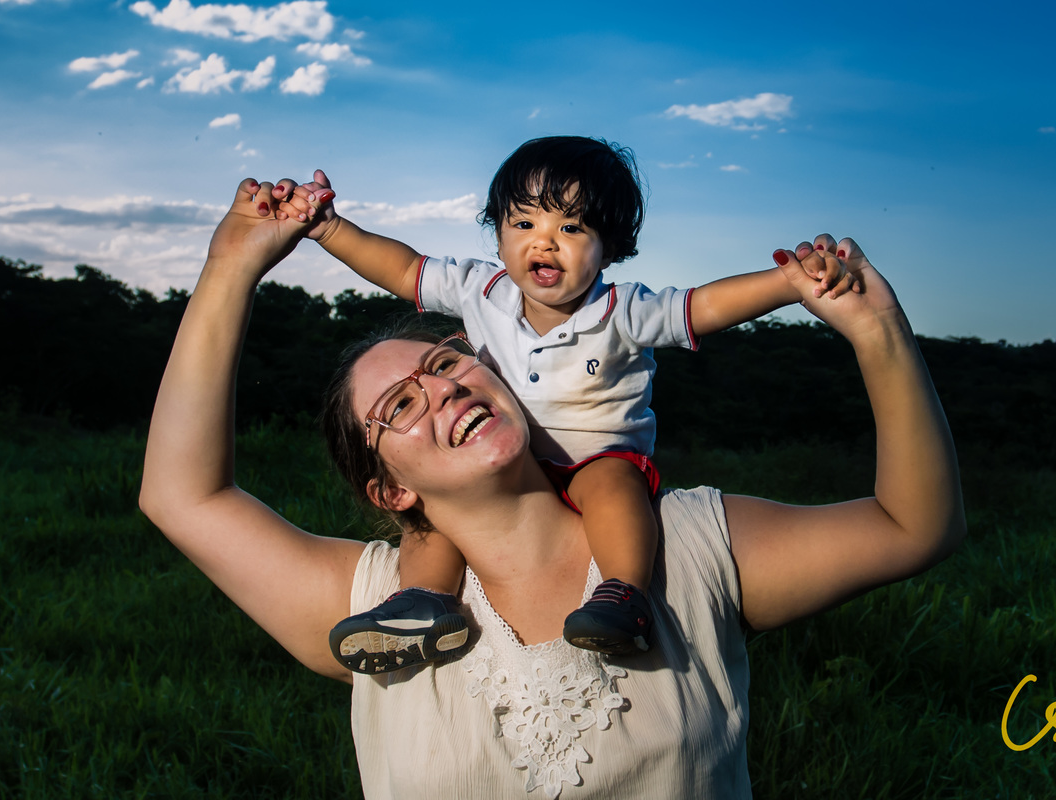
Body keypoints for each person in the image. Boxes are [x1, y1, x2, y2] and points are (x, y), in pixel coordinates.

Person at [139, 178, 965, 799]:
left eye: (446, 364)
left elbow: (913, 526)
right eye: (401, 406)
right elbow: (182, 496)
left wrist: (877, 330)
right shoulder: (372, 606)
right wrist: (232, 265)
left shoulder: (688, 547)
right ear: (388, 491)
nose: (443, 390)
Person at [277, 136, 856, 668]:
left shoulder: (624, 310)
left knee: (612, 489)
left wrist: (788, 284)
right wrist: (329, 228)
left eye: (572, 227)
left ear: (609, 247)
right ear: (497, 233)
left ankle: (622, 596)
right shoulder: (481, 289)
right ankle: (421, 604)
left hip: (596, 455)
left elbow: (702, 306)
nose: (544, 240)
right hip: (508, 458)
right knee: (434, 521)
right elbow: (403, 268)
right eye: (523, 221)